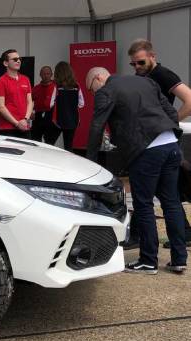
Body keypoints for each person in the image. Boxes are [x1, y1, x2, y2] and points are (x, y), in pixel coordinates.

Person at [85, 66, 186, 274]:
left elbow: (97, 126)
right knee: (172, 203)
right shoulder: (146, 81)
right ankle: (179, 258)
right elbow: (170, 111)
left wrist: (90, 162)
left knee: (144, 204)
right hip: (170, 144)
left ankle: (148, 260)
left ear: (98, 78)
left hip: (146, 150)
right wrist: (173, 136)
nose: (93, 93)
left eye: (90, 89)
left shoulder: (106, 90)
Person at [127, 39, 191, 250]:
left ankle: (140, 236)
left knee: (154, 192)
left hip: (160, 141)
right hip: (153, 140)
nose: (137, 67)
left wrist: (171, 122)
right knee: (164, 192)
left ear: (152, 57)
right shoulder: (144, 76)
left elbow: (189, 99)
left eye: (141, 62)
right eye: (133, 63)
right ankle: (183, 234)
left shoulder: (163, 74)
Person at [0, 49, 33, 138]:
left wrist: (25, 119)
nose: (18, 61)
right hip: (7, 128)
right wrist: (16, 123)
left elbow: (30, 102)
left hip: (24, 126)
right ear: (6, 63)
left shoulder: (26, 79)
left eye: (19, 59)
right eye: (15, 59)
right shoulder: (1, 81)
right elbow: (1, 106)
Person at [49, 61, 84, 152]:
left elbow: (51, 104)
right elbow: (81, 104)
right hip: (73, 120)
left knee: (49, 144)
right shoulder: (77, 86)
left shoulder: (56, 86)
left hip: (57, 120)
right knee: (68, 147)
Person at [31, 66, 58, 143]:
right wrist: (31, 112)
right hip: (38, 116)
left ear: (51, 74)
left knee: (49, 142)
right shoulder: (35, 88)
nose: (46, 76)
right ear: (40, 75)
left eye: (48, 74)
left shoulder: (56, 87)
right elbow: (29, 102)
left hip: (51, 117)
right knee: (35, 141)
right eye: (43, 74)